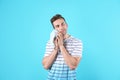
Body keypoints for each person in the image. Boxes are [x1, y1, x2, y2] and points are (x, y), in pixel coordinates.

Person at [42, 14, 83, 80]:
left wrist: (61, 46)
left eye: (62, 24)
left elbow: (73, 66)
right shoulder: (50, 43)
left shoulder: (77, 42)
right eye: (57, 26)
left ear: (66, 25)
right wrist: (56, 48)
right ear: (54, 29)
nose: (61, 27)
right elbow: (46, 66)